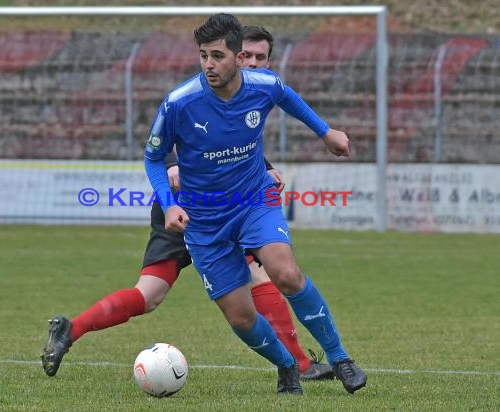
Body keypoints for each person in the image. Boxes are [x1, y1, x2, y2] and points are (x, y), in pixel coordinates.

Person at [41, 25, 334, 382]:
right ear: (236, 57)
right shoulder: (193, 96)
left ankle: (70, 330)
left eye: (261, 58)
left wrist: (267, 170)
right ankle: (300, 365)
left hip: (225, 208)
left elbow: (238, 148)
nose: (254, 62)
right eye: (248, 56)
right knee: (152, 295)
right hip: (183, 210)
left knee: (257, 273)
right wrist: (173, 167)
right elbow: (166, 145)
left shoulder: (255, 94)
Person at [144, 13, 367, 395]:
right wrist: (169, 204)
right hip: (205, 221)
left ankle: (341, 358)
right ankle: (287, 366)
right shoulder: (180, 103)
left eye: (217, 56)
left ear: (236, 56)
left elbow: (288, 97)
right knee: (241, 316)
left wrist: (325, 132)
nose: (209, 65)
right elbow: (152, 157)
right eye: (203, 56)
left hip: (253, 200)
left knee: (286, 273)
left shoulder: (263, 86)